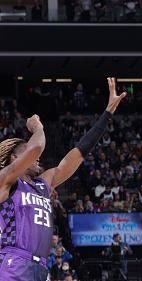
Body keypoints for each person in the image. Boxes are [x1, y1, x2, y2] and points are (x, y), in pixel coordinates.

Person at [0, 78, 125, 281]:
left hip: (40, 266)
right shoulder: (6, 181)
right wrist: (37, 128)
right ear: (16, 158)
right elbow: (36, 148)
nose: (38, 158)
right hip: (14, 262)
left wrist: (107, 114)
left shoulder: (42, 183)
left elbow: (79, 153)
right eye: (28, 155)